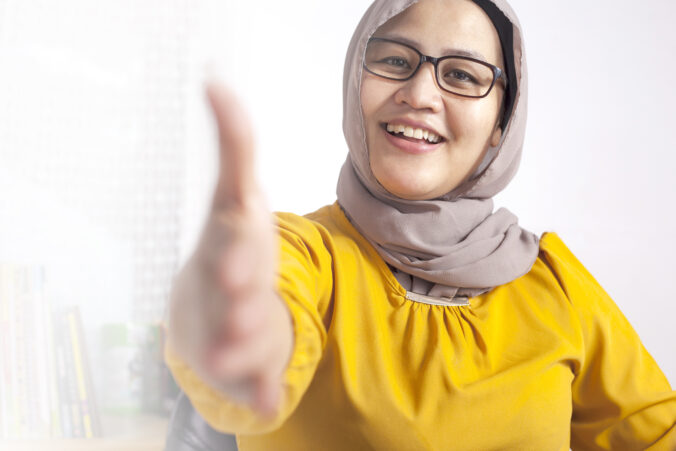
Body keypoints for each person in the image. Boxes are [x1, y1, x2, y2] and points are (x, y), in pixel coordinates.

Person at [164, 0, 676, 449]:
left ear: (502, 121)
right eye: (394, 60)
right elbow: (264, 323)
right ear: (354, 83)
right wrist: (237, 332)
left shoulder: (557, 288)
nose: (421, 94)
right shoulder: (301, 253)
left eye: (463, 75)